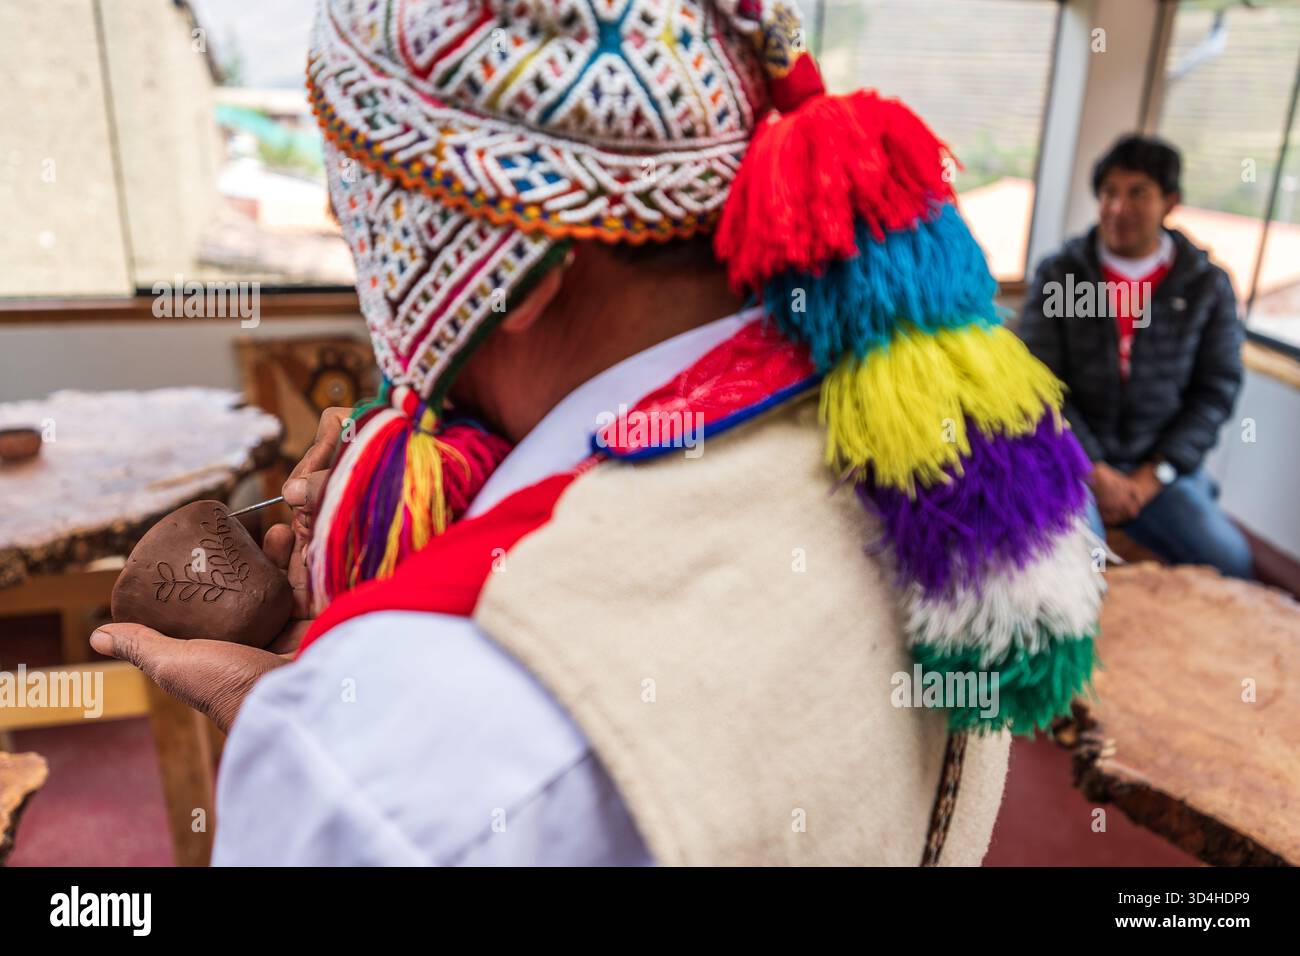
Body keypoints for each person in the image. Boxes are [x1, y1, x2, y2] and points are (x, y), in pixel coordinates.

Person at [91, 0, 1103, 865]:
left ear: (504, 267)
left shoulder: (374, 767)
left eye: (364, 213)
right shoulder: (933, 469)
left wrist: (316, 729)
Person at [1019, 134, 1252, 579]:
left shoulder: (1207, 287)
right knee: (1079, 568)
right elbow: (1037, 384)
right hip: (1073, 463)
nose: (1117, 208)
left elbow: (1215, 393)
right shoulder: (1059, 274)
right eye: (1108, 192)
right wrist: (1094, 469)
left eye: (1137, 192)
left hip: (1160, 474)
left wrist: (1154, 475)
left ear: (1170, 202)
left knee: (1231, 561)